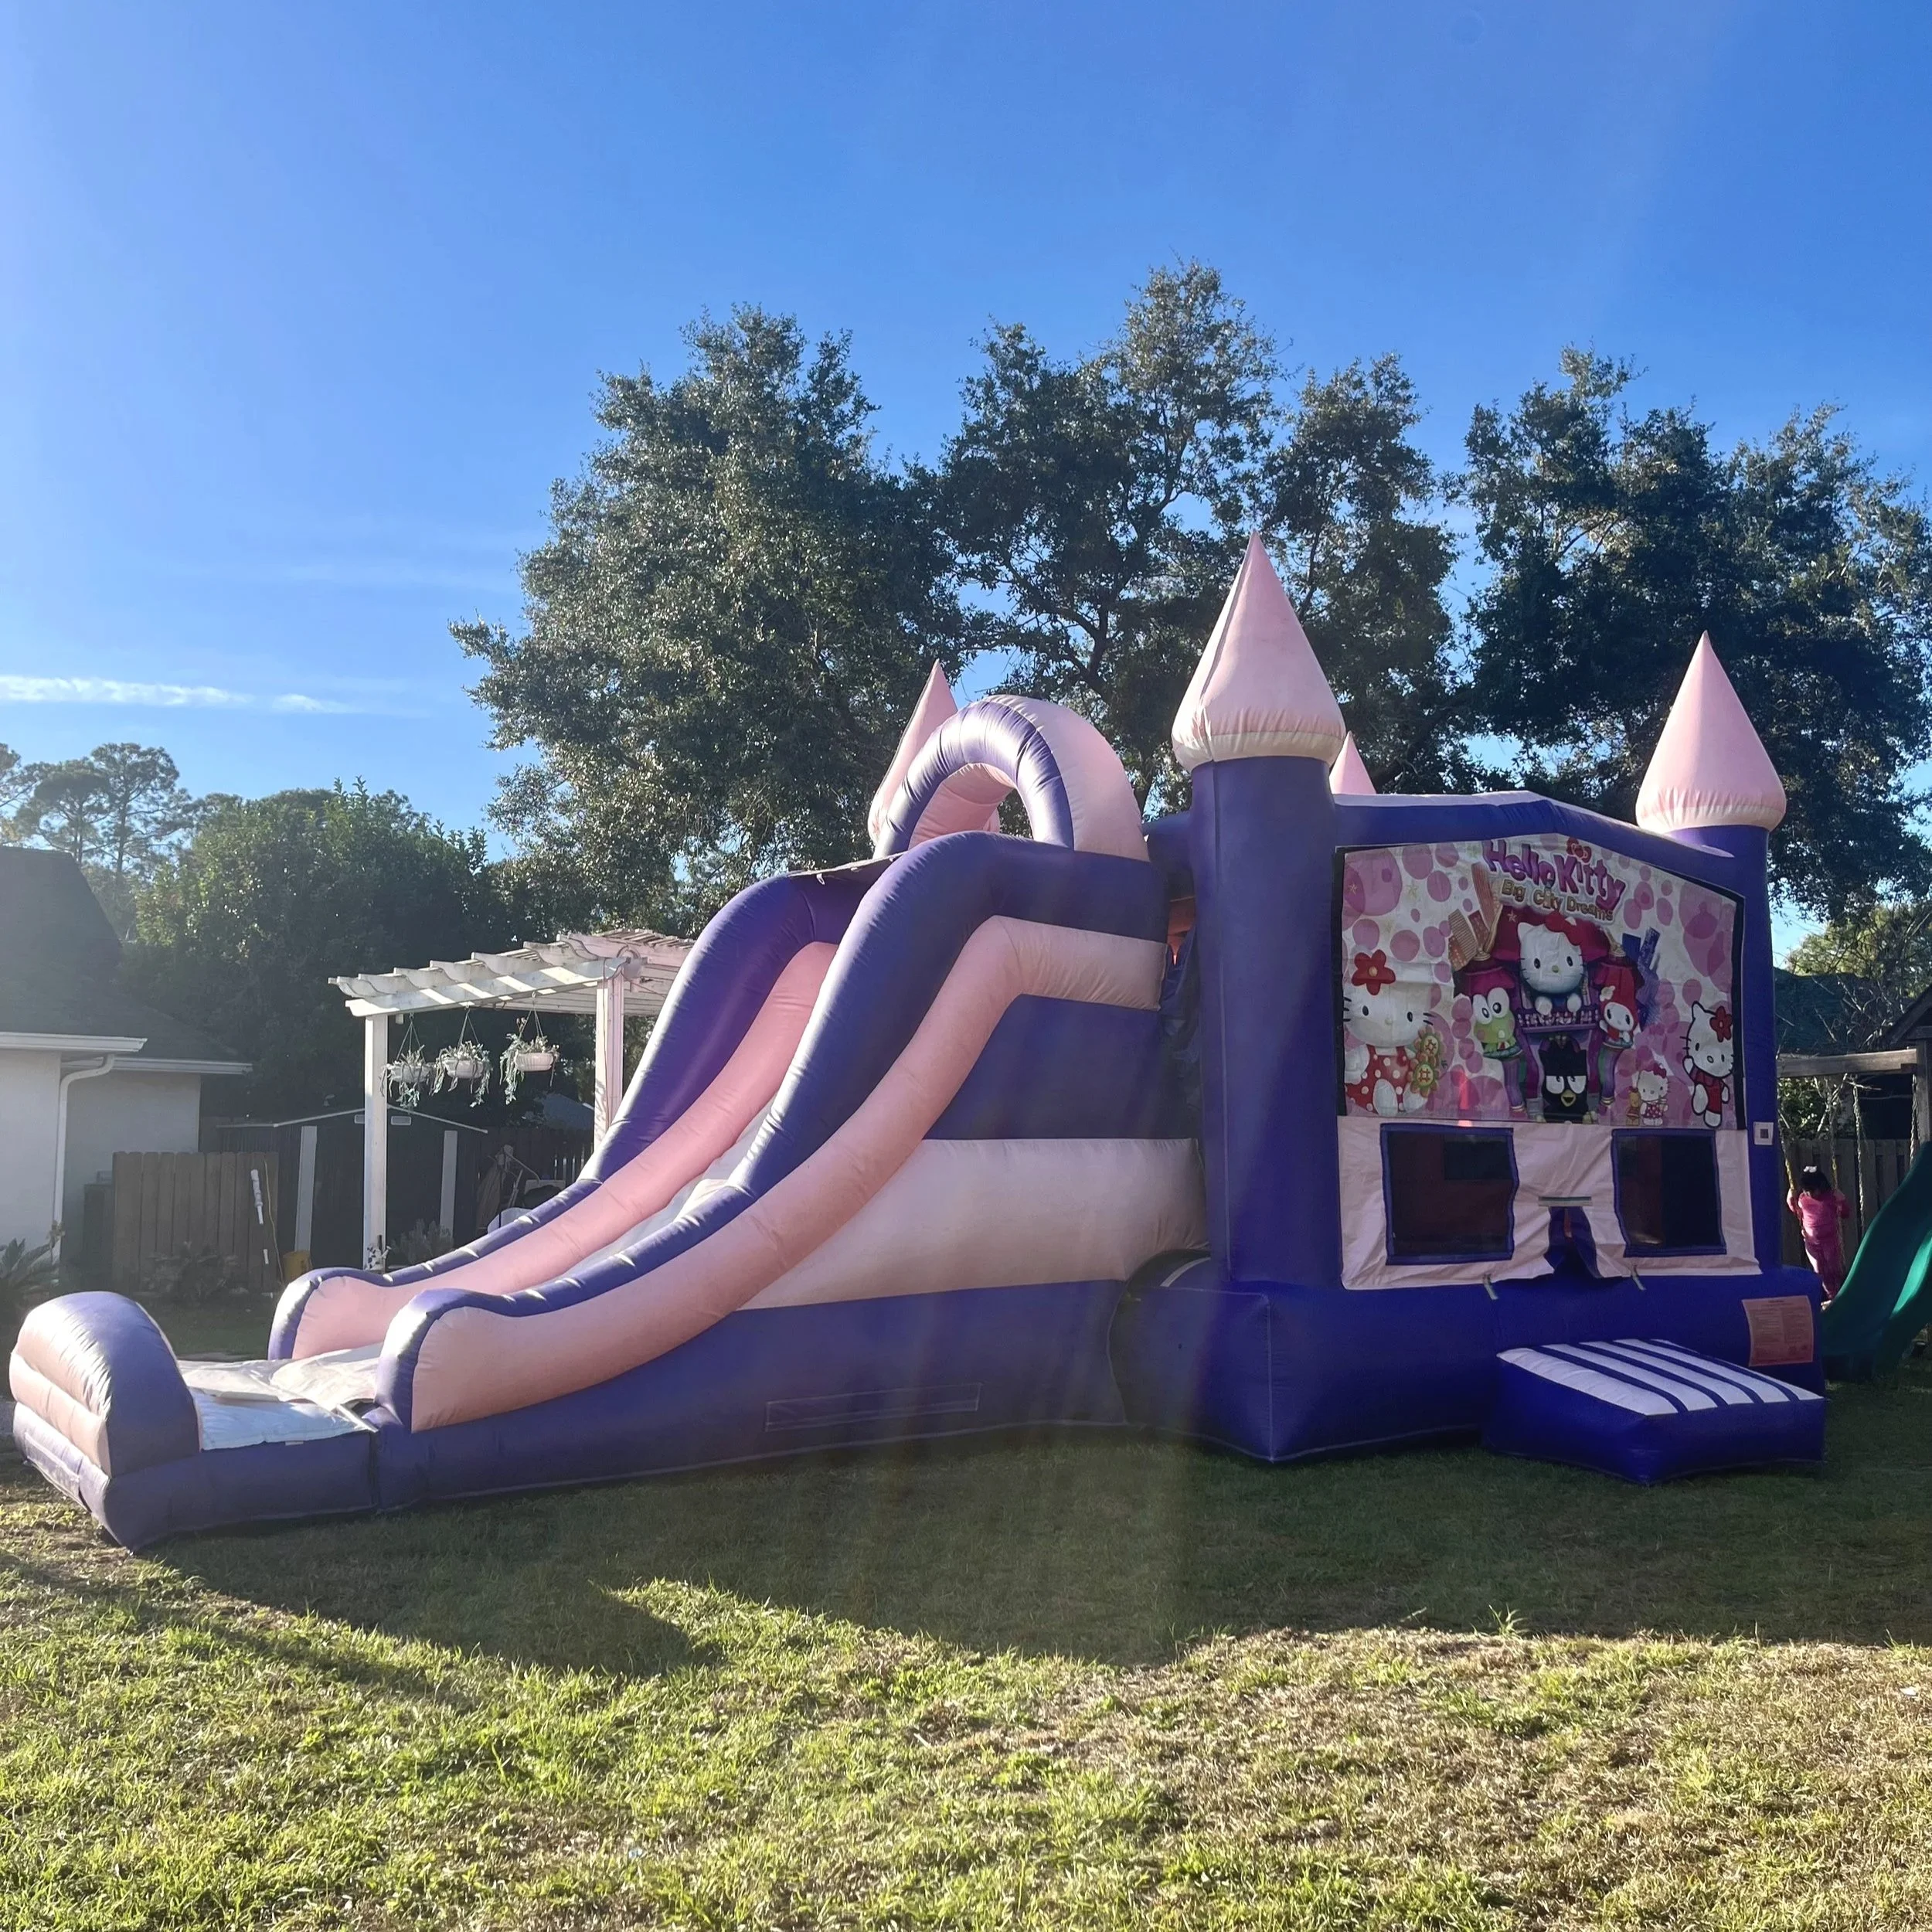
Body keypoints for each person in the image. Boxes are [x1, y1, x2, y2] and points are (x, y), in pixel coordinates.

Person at [1786, 1164, 1852, 1300]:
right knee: (1819, 1271)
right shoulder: (1803, 1199)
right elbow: (1797, 1212)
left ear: (1820, 1186)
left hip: (1830, 1241)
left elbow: (1845, 1213)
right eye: (1806, 1191)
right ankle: (1831, 1297)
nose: (1809, 1194)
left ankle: (1841, 1294)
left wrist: (1842, 1200)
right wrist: (1790, 1200)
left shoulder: (1830, 1198)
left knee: (1834, 1269)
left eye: (1812, 1190)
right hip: (1812, 1243)